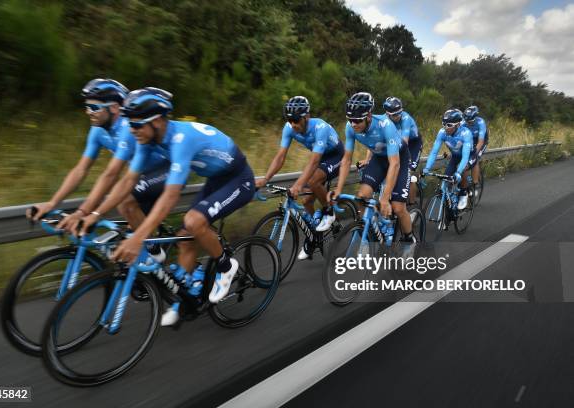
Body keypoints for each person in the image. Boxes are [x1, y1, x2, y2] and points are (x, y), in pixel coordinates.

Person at [78, 87, 255, 326]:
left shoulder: (182, 140)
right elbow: (128, 181)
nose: (132, 130)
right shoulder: (146, 139)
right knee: (185, 237)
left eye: (138, 124)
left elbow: (171, 195)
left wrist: (138, 237)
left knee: (194, 221)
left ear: (159, 121)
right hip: (216, 179)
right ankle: (186, 298)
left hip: (238, 178)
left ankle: (225, 265)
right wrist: (94, 213)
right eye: (130, 123)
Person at [27, 79, 170, 250]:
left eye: (94, 107)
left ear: (115, 108)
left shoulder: (127, 129)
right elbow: (81, 169)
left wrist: (83, 212)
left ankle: (153, 251)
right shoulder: (97, 131)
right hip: (142, 177)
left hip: (166, 171)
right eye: (87, 107)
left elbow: (111, 174)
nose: (88, 112)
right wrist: (52, 203)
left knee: (124, 202)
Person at [255, 96, 344, 260]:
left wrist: (297, 185)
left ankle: (329, 212)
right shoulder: (289, 128)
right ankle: (315, 236)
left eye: (296, 120)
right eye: (289, 120)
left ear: (306, 116)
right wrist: (265, 178)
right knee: (306, 201)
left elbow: (314, 161)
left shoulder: (320, 127)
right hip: (321, 158)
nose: (293, 124)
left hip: (335, 156)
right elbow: (281, 157)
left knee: (312, 181)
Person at [327, 92, 416, 252]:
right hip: (379, 158)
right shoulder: (350, 127)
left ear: (368, 115)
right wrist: (338, 190)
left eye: (357, 120)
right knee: (362, 197)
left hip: (399, 159)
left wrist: (384, 198)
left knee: (397, 207)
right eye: (350, 120)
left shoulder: (385, 125)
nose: (353, 124)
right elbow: (346, 160)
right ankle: (370, 234)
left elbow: (394, 164)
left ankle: (409, 239)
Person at [423, 108, 474, 213]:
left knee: (462, 170)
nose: (446, 128)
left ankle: (464, 193)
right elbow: (434, 152)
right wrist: (427, 168)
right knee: (446, 180)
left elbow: (465, 157)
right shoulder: (442, 132)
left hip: (468, 156)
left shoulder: (465, 133)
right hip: (455, 156)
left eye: (449, 125)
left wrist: (458, 172)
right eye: (444, 124)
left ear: (458, 125)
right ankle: (451, 202)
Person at [382, 97, 423, 204]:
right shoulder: (383, 120)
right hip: (397, 144)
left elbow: (404, 142)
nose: (398, 116)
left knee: (409, 173)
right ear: (387, 114)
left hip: (413, 145)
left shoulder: (406, 118)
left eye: (399, 112)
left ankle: (412, 206)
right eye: (394, 114)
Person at [462, 105, 489, 190]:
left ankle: (475, 182)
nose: (468, 123)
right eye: (467, 121)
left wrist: (474, 154)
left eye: (471, 121)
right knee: (464, 159)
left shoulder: (481, 122)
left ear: (475, 118)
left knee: (474, 159)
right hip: (470, 139)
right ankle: (464, 184)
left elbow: (481, 142)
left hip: (481, 140)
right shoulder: (463, 123)